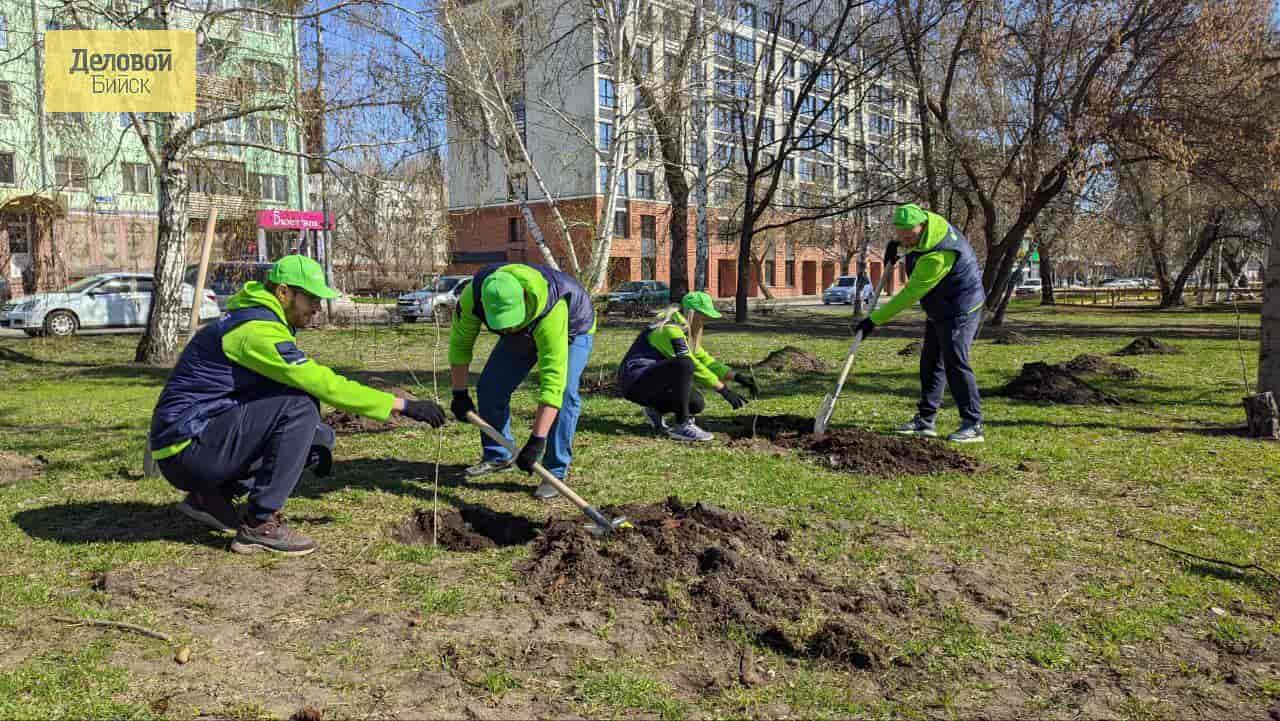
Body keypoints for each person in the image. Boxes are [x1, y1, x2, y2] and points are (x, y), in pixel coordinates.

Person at [149, 255, 447, 556]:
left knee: (317, 437)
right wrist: (402, 405)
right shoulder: (256, 331)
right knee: (301, 404)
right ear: (283, 292)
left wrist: (313, 442)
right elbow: (322, 382)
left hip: (192, 442)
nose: (318, 308)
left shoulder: (259, 319)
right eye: (312, 299)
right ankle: (259, 524)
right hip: (187, 447)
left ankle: (209, 498)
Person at [447, 262, 595, 499]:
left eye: (511, 322)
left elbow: (553, 382)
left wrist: (537, 440)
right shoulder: (472, 297)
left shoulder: (552, 308)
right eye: (502, 325)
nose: (507, 329)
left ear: (523, 298)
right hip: (527, 326)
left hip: (574, 328)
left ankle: (554, 472)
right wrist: (459, 393)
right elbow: (460, 345)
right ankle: (499, 454)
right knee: (491, 386)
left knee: (565, 393)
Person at [855, 203, 987, 443]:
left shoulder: (939, 254)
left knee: (955, 362)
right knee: (930, 362)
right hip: (940, 305)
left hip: (961, 307)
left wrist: (873, 321)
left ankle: (973, 424)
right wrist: (897, 246)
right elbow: (913, 245)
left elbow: (910, 294)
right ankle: (925, 421)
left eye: (909, 235)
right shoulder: (926, 230)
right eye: (900, 234)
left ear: (922, 225)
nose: (905, 238)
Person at [616, 291, 756, 442]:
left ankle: (655, 409)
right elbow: (691, 364)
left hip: (649, 382)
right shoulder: (671, 329)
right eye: (703, 316)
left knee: (695, 403)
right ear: (692, 313)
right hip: (634, 382)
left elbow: (706, 360)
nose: (704, 321)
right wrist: (723, 389)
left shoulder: (683, 332)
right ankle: (682, 426)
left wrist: (738, 377)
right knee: (684, 364)